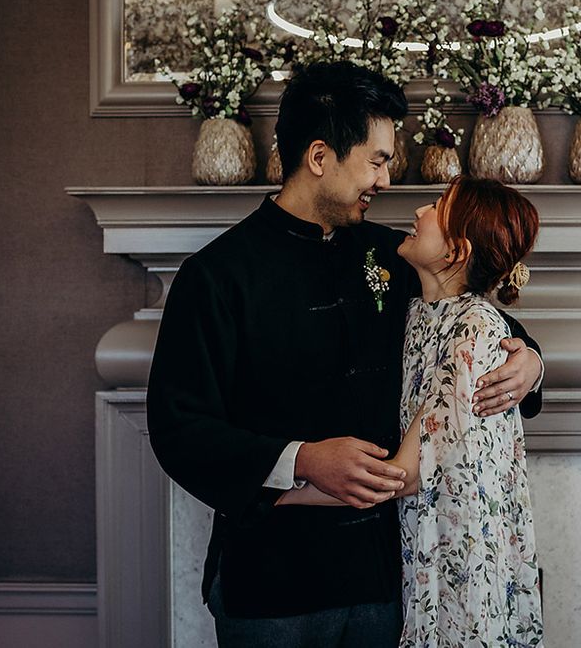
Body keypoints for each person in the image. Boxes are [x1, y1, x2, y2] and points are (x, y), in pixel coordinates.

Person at [146, 61, 544, 648]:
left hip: (387, 581)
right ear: (318, 157)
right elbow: (178, 428)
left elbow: (484, 321)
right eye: (377, 161)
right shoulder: (215, 277)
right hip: (271, 586)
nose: (385, 182)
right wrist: (302, 459)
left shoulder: (398, 255)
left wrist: (531, 364)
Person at [281, 177, 545, 647]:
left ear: (455, 252)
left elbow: (403, 475)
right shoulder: (420, 310)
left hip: (459, 564)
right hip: (422, 546)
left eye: (439, 206)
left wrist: (273, 492)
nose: (420, 209)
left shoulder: (473, 332)